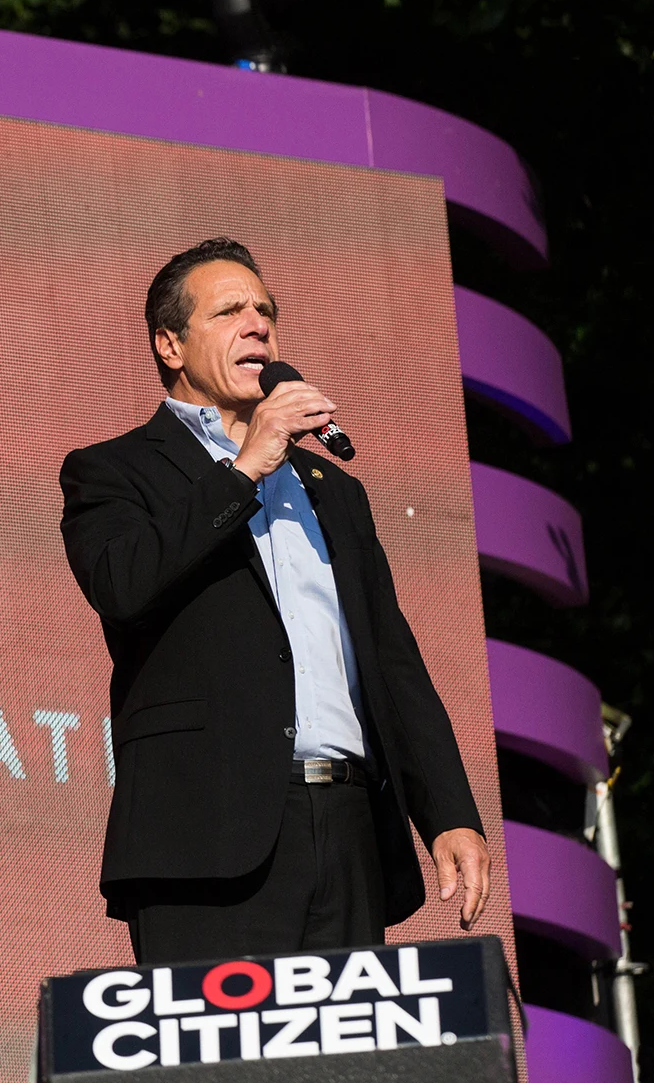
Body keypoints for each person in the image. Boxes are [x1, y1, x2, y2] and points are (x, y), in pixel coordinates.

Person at [60, 237, 491, 963]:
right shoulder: (113, 470)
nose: (257, 324)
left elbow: (391, 660)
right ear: (170, 344)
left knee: (346, 1075)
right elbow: (121, 583)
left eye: (265, 311)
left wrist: (448, 812)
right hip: (205, 839)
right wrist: (243, 468)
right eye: (229, 311)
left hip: (347, 826)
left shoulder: (334, 493)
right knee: (222, 1076)